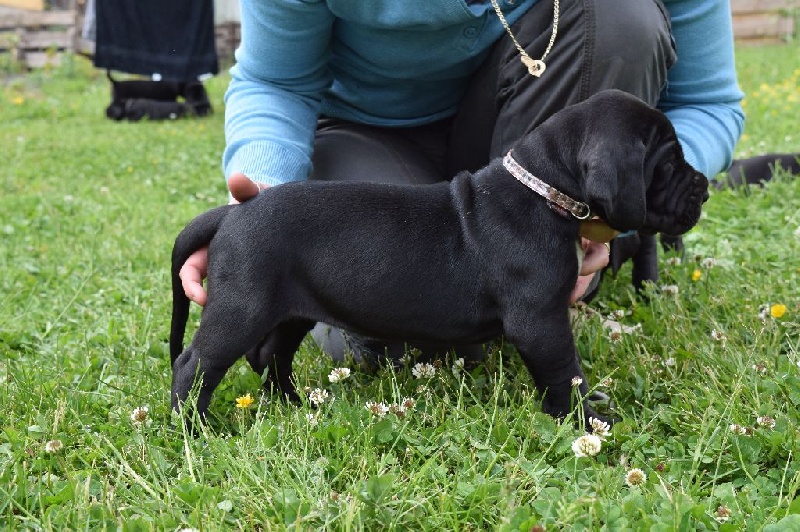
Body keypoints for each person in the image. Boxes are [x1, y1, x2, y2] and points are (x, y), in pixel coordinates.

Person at [179, 0, 744, 363]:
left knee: (621, 16)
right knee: (393, 339)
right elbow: (276, 79)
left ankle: (564, 258)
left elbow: (707, 101)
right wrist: (266, 214)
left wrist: (642, 192)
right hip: (370, 135)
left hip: (537, 132)